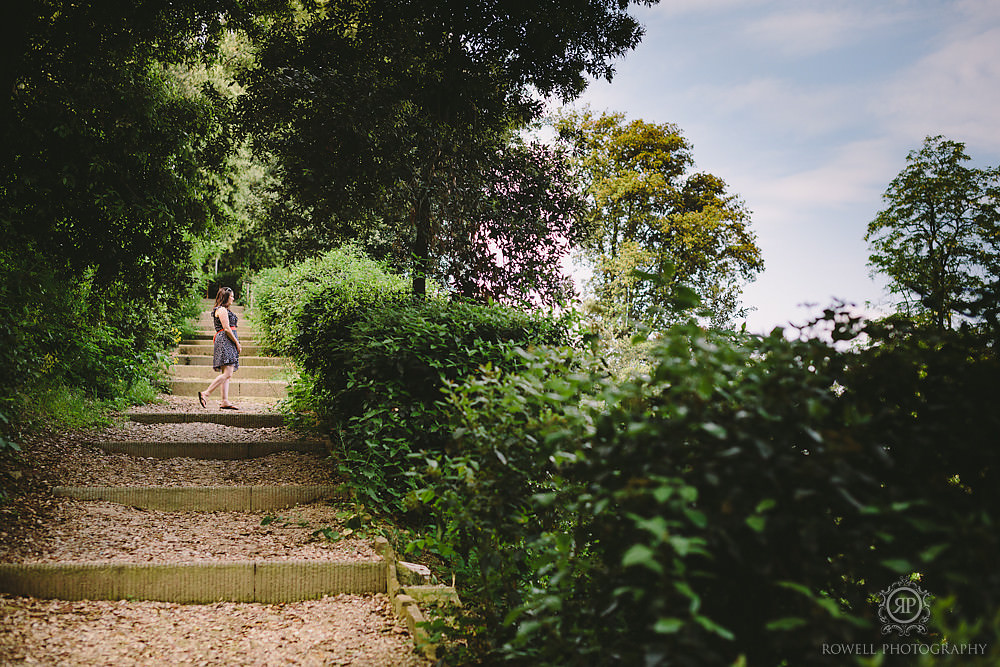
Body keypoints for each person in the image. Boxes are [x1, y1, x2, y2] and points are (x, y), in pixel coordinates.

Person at [198, 286, 242, 410]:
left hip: (227, 340)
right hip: (225, 340)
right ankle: (205, 394)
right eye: (231, 296)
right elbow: (227, 329)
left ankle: (225, 401)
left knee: (227, 373)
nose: (233, 298)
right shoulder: (221, 310)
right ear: (225, 297)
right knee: (227, 373)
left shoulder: (224, 310)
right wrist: (237, 343)